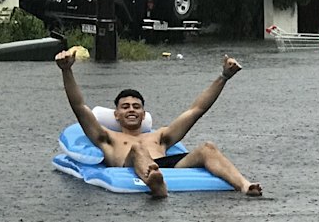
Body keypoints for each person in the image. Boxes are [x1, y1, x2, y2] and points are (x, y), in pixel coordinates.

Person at [55, 50, 262, 198]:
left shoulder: (160, 137)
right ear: (116, 115)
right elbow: (80, 107)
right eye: (125, 107)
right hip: (130, 165)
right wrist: (67, 71)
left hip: (165, 165)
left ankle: (245, 185)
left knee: (207, 147)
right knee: (137, 148)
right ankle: (156, 184)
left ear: (144, 114)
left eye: (136, 107)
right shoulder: (107, 138)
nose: (131, 110)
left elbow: (196, 110)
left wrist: (224, 77)